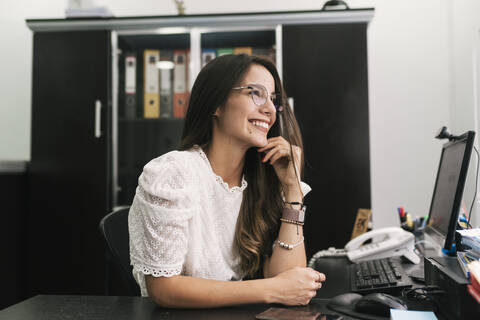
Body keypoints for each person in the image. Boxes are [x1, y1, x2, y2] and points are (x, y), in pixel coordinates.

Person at [128, 53, 326, 308]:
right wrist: (271, 289)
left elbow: (288, 282)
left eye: (273, 99)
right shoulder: (173, 173)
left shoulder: (261, 181)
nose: (268, 109)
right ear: (216, 104)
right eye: (256, 93)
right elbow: (164, 288)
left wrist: (292, 190)